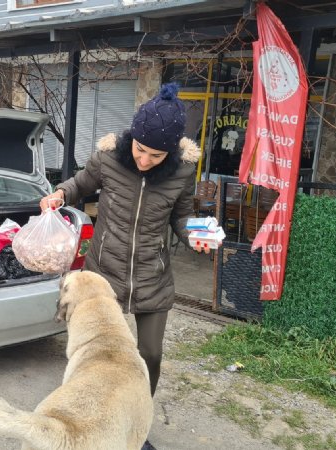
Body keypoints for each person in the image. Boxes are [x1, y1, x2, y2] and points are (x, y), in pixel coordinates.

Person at [39, 83, 202, 450]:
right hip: (103, 274)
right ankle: (83, 415)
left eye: (156, 156)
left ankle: (136, 424)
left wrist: (194, 235)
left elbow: (183, 217)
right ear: (132, 137)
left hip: (152, 276)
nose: (144, 160)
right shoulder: (108, 159)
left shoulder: (181, 174)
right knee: (93, 353)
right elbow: (79, 185)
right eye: (140, 150)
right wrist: (59, 194)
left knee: (150, 355)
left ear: (172, 153)